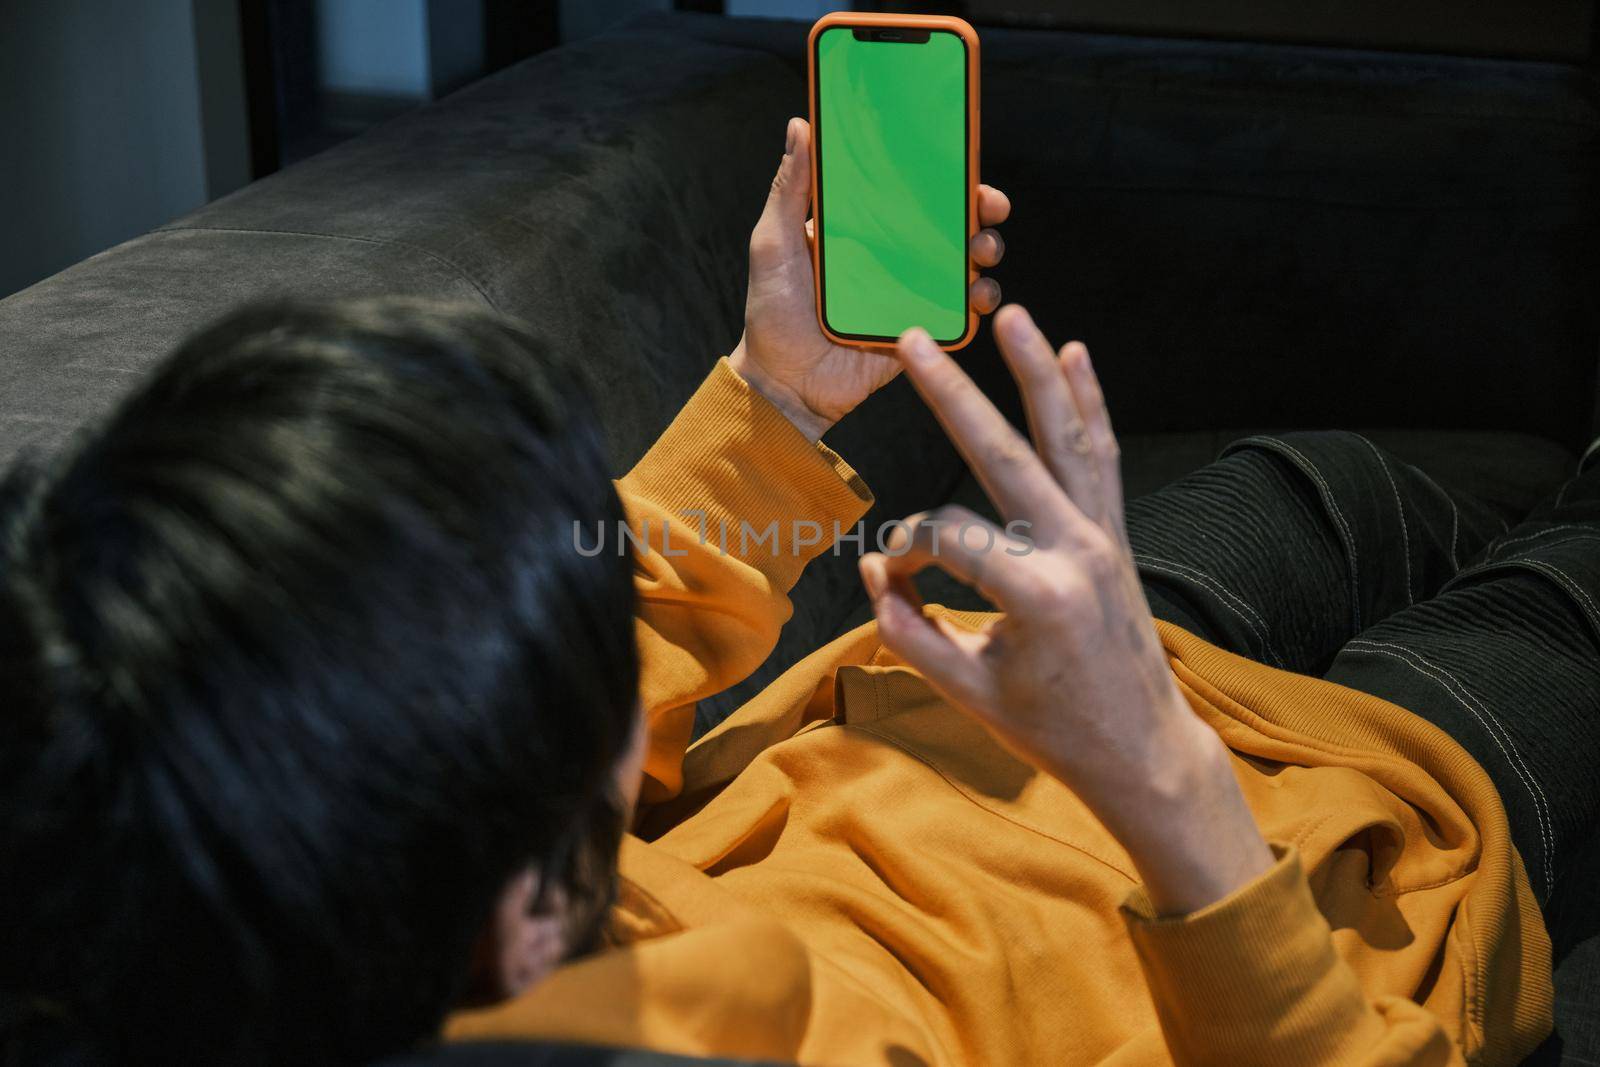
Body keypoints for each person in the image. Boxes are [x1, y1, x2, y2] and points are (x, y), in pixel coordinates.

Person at [1, 115, 1586, 1065]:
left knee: (1330, 480)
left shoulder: (266, 868)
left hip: (1005, 670)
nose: (599, 598)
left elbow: (617, 588)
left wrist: (778, 390)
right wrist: (1161, 780)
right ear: (511, 898)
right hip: (1349, 827)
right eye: (576, 673)